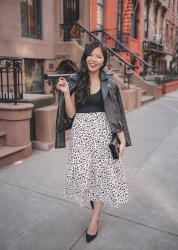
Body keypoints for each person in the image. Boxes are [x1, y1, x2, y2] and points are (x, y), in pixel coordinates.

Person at [56, 41, 132, 243]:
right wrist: (65, 92)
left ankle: (95, 218)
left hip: (103, 133)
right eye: (91, 55)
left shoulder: (109, 82)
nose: (94, 59)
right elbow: (71, 115)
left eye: (99, 56)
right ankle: (96, 205)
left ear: (103, 61)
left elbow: (116, 113)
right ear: (85, 57)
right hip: (81, 133)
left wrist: (122, 140)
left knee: (101, 176)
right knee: (86, 175)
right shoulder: (76, 80)